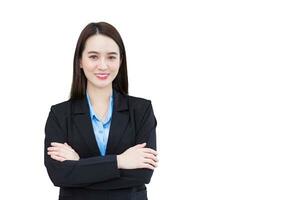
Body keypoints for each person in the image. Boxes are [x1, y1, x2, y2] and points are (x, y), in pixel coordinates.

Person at [44, 22, 158, 200]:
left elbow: (142, 175)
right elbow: (59, 175)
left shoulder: (141, 111)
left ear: (120, 61)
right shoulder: (59, 115)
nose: (103, 66)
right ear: (80, 61)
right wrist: (120, 161)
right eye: (94, 57)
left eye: (111, 57)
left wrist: (79, 165)